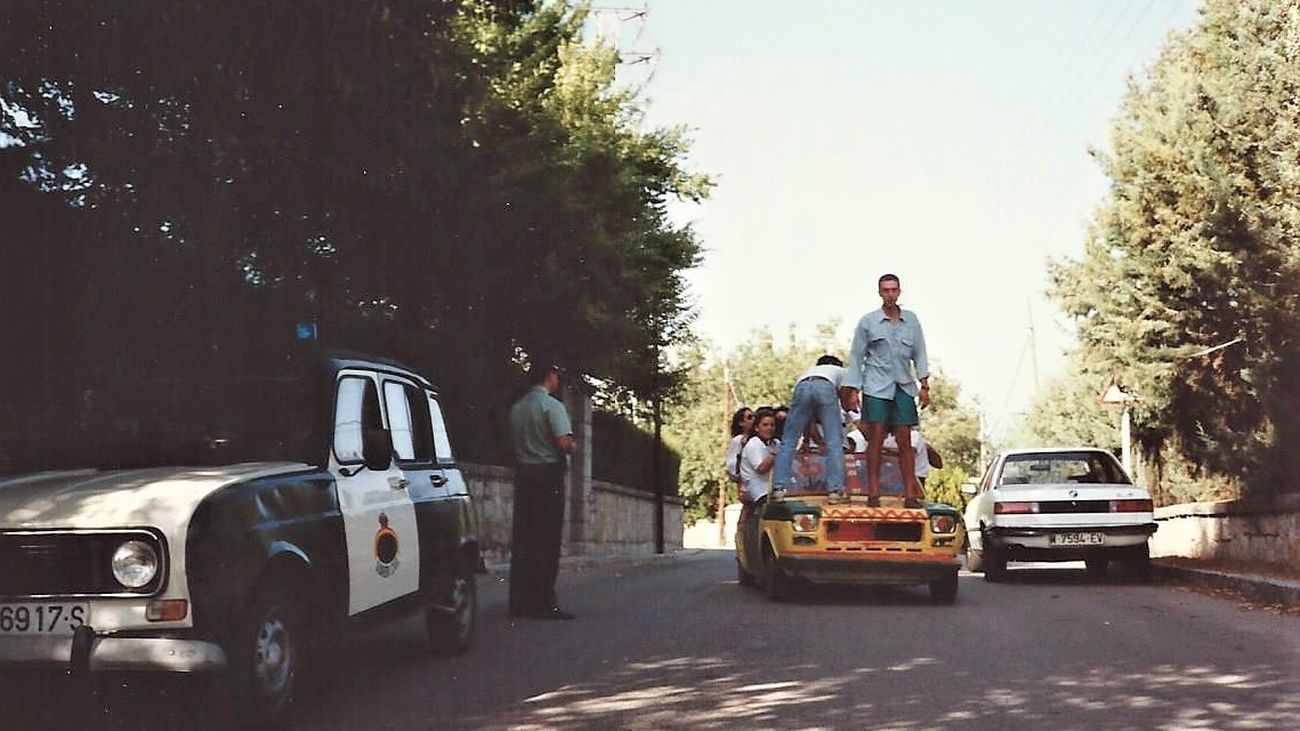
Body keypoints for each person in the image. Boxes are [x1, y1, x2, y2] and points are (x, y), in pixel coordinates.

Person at [845, 273, 931, 509]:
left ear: (899, 292)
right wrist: (853, 389)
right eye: (886, 290)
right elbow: (856, 356)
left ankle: (910, 494)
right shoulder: (869, 322)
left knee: (905, 439)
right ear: (880, 293)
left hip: (902, 385)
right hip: (875, 385)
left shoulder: (911, 320)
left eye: (894, 290)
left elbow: (920, 352)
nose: (890, 294)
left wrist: (924, 385)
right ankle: (873, 493)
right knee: (876, 438)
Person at [507, 363, 578, 620]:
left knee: (524, 539)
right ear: (550, 376)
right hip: (547, 475)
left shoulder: (517, 408)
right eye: (556, 375)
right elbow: (562, 441)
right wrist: (573, 445)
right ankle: (544, 602)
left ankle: (518, 601)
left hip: (524, 474)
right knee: (546, 540)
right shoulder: (552, 406)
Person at [771, 355, 851, 501]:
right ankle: (835, 490)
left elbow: (809, 419)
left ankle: (778, 488)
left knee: (789, 441)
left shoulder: (810, 370)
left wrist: (806, 439)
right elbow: (847, 401)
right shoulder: (843, 372)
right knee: (834, 442)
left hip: (801, 386)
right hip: (826, 386)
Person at [884, 427, 943, 492]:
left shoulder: (914, 436)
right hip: (886, 481)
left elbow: (909, 452)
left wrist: (881, 450)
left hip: (913, 481)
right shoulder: (880, 437)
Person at [723, 407, 755, 485]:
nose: (754, 419)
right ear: (741, 423)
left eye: (754, 416)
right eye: (749, 417)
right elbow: (732, 468)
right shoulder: (738, 440)